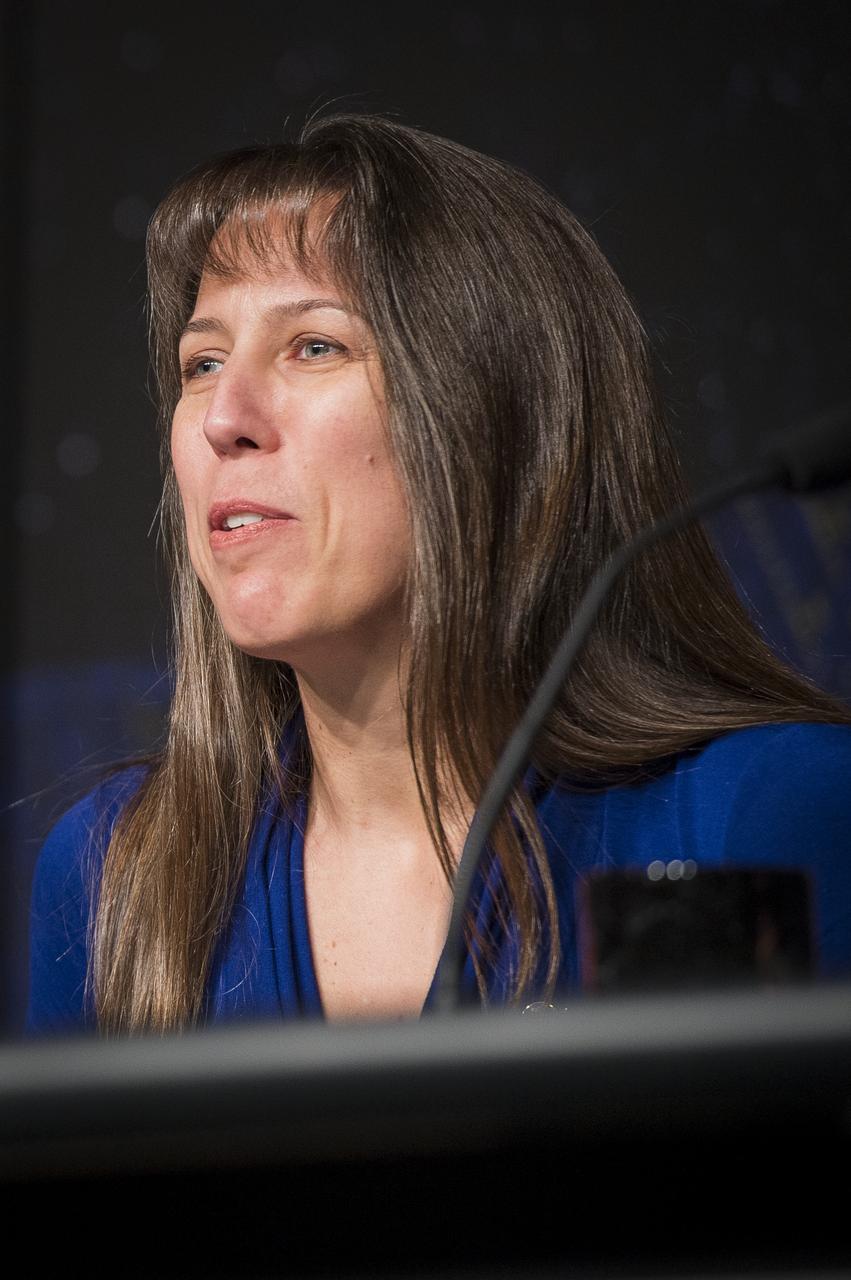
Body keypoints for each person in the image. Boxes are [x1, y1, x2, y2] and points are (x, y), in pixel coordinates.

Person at [27, 113, 851, 1037]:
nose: (225, 416)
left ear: (496, 418)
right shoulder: (116, 879)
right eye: (202, 361)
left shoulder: (773, 813)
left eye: (313, 346)